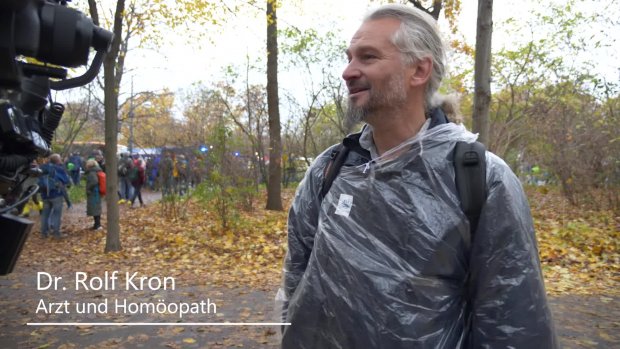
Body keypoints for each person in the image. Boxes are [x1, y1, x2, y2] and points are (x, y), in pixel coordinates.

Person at [279, 4, 557, 349]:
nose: (348, 71)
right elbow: (297, 284)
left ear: (419, 70)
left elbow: (514, 320)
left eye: (367, 57)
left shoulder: (481, 179)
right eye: (349, 57)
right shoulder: (330, 171)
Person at [38, 153, 70, 238]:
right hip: (56, 194)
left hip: (44, 195)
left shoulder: (42, 168)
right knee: (56, 214)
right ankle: (56, 233)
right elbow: (66, 180)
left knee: (45, 214)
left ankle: (43, 233)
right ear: (58, 160)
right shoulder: (59, 169)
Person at [84, 159, 103, 230]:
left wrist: (89, 188)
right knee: (96, 208)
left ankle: (98, 225)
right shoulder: (96, 171)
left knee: (95, 208)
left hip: (94, 192)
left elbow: (94, 181)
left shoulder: (92, 172)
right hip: (96, 192)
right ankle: (97, 224)